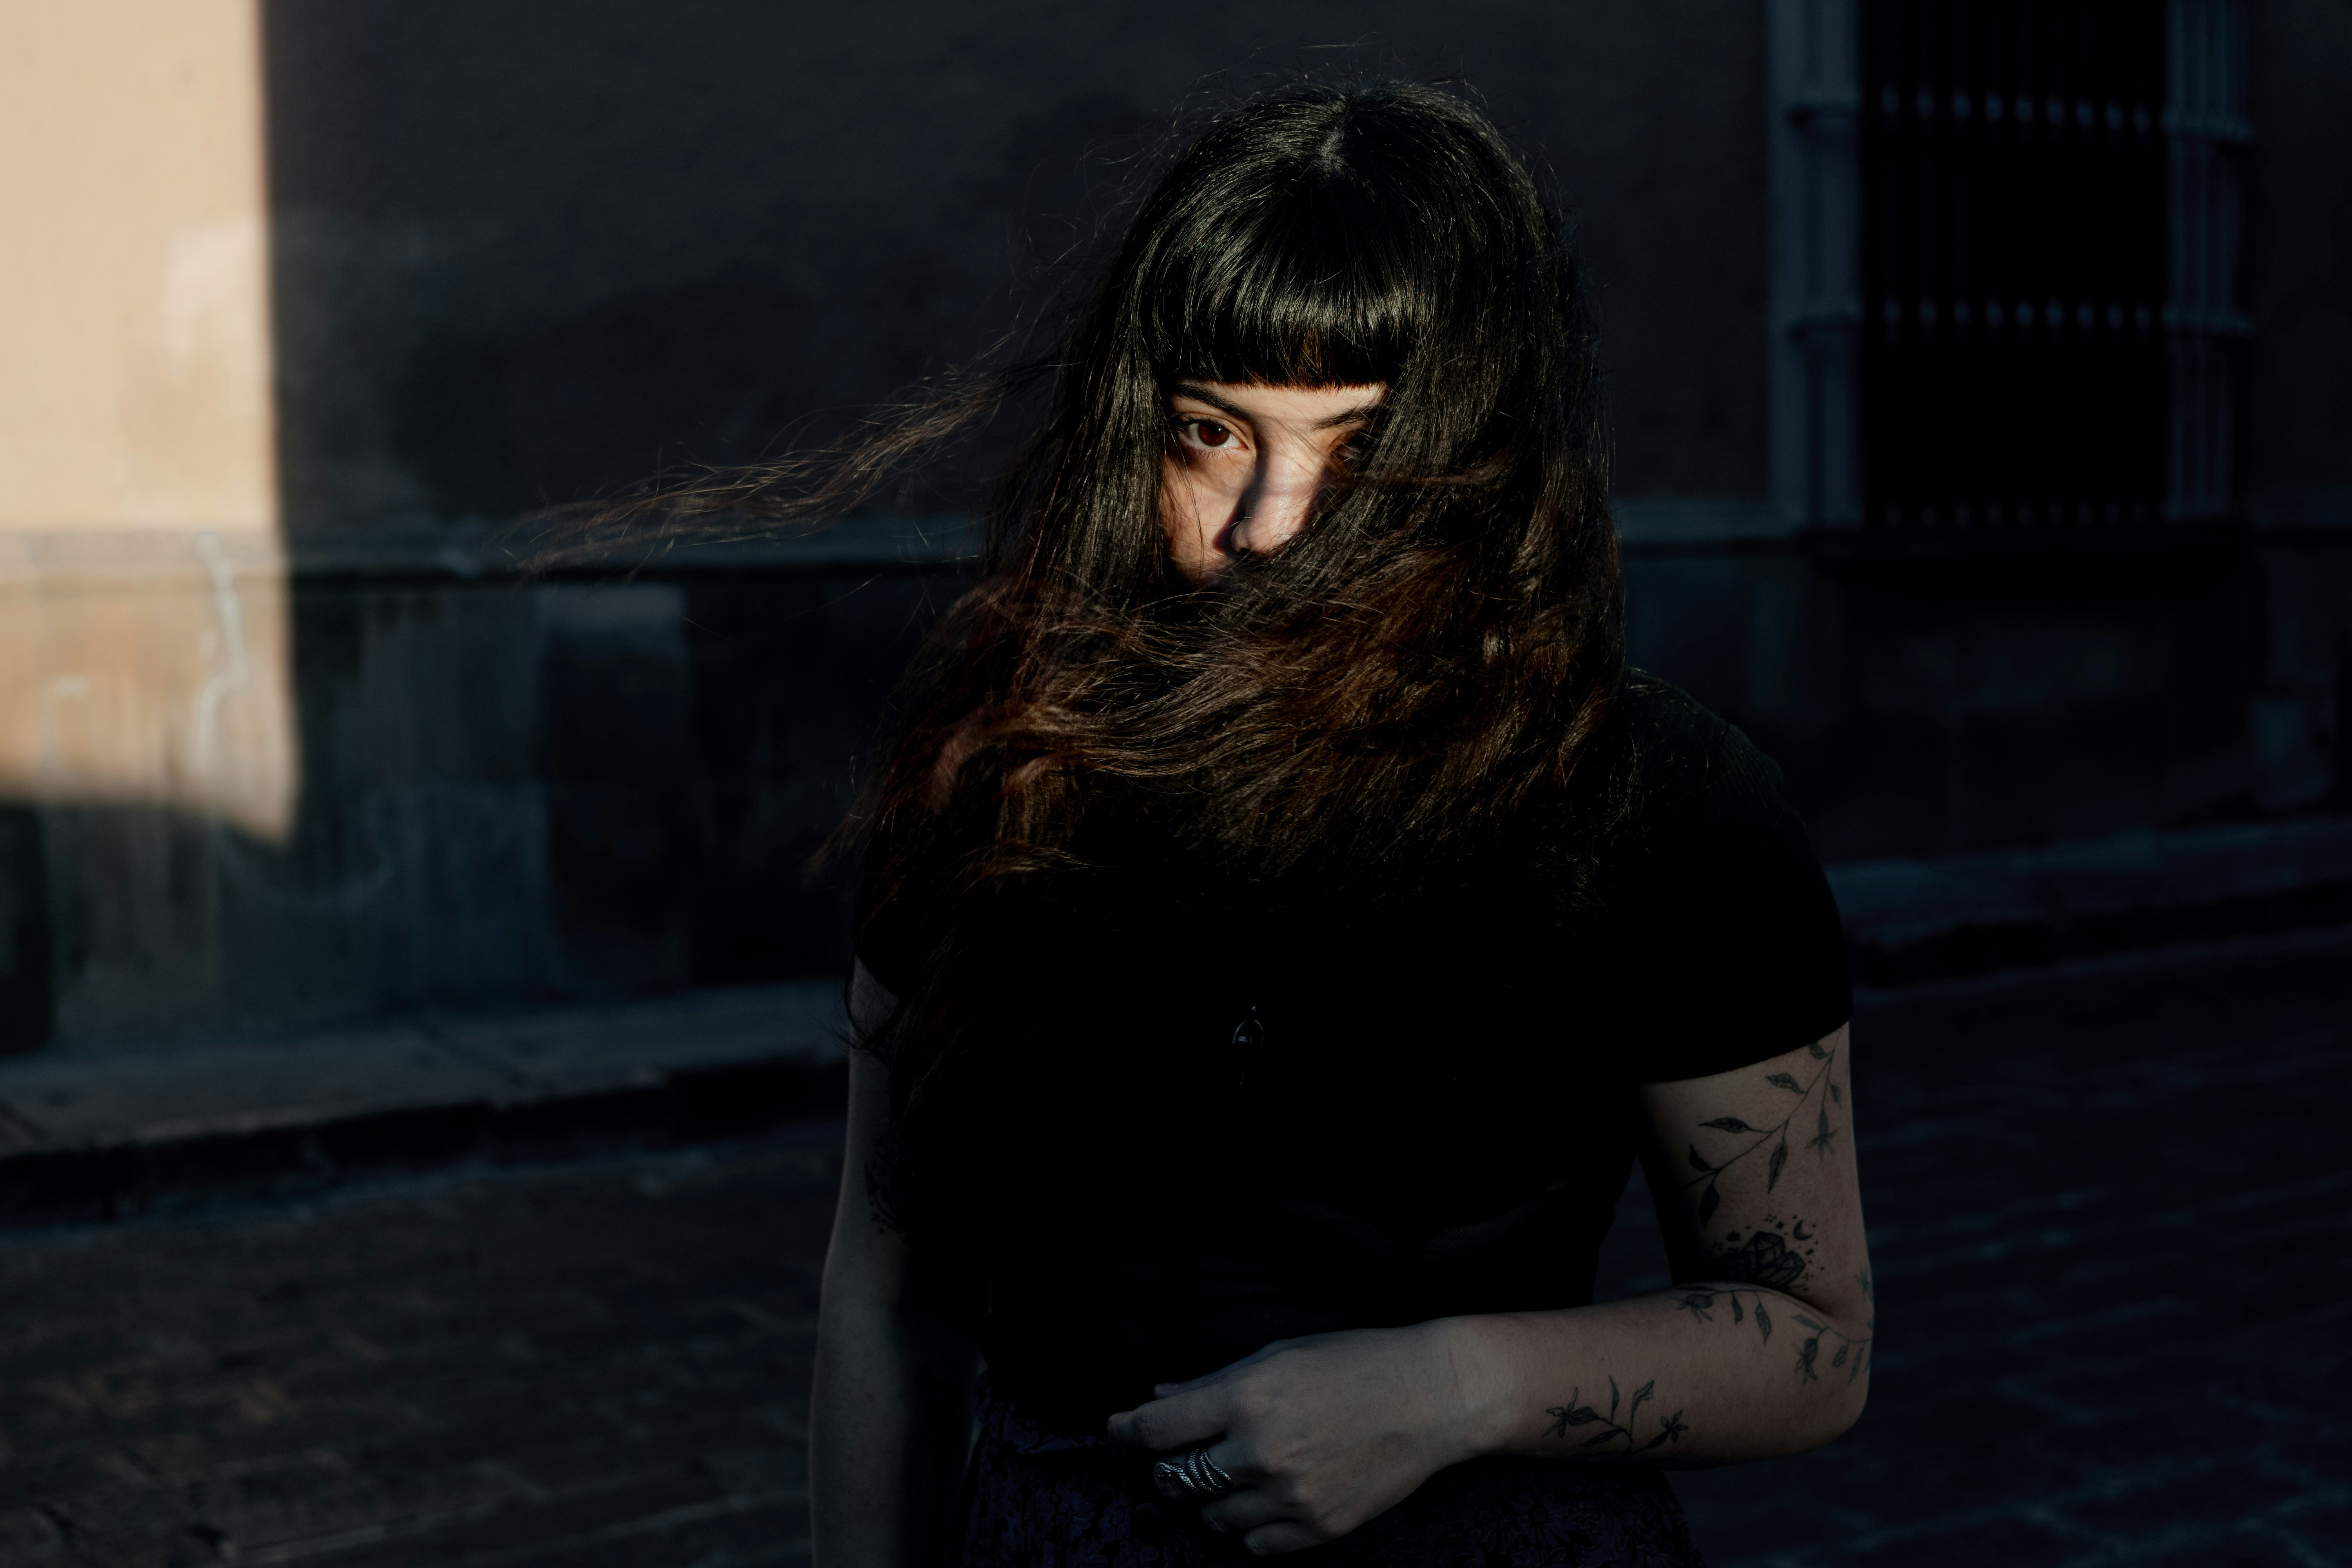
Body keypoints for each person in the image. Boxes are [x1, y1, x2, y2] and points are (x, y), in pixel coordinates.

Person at [808, 80, 1871, 1565]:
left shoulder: (1664, 804)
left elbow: (1813, 1339)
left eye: (1360, 451)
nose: (1267, 528)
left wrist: (1452, 1386)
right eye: (1210, 433)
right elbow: (888, 1295)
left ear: (1488, 451)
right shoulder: (1003, 778)